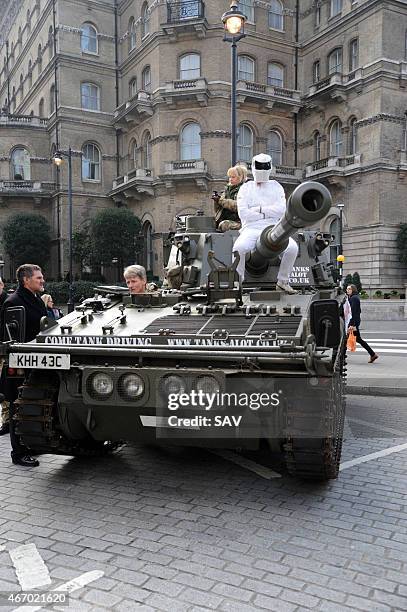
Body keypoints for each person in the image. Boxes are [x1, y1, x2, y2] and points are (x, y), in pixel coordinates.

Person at [0, 264, 47, 466]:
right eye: (38, 278)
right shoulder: (14, 302)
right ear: (26, 280)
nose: (42, 280)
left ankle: (30, 445)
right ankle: (18, 453)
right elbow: (10, 337)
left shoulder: (34, 299)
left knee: (31, 404)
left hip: (36, 362)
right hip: (19, 364)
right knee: (17, 406)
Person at [233, 153, 299, 294]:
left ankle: (282, 281)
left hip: (273, 227)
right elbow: (243, 213)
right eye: (260, 167)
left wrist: (258, 210)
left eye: (265, 167)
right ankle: (237, 282)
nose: (262, 170)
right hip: (251, 228)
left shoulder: (276, 187)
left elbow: (281, 210)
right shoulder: (246, 188)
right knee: (239, 248)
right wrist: (269, 211)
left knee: (292, 248)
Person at [346, 283, 378, 363]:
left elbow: (354, 312)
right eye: (347, 289)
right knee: (356, 339)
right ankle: (372, 354)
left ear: (353, 290)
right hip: (353, 322)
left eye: (349, 289)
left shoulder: (354, 298)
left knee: (356, 339)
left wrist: (352, 324)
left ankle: (373, 354)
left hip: (353, 323)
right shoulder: (352, 298)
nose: (347, 290)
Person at [212, 165, 247, 232]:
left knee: (225, 225)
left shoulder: (244, 189)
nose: (230, 179)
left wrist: (222, 201)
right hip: (227, 220)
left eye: (233, 177)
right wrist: (216, 201)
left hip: (241, 222)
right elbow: (217, 211)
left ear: (241, 177)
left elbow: (239, 206)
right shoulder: (227, 190)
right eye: (229, 177)